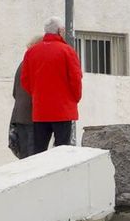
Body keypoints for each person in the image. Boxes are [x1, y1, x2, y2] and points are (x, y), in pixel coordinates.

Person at [20, 16, 83, 154]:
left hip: (40, 110)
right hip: (63, 110)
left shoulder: (31, 52)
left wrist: (37, 94)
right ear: (60, 31)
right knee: (62, 151)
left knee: (39, 152)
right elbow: (76, 79)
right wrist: (74, 99)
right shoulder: (67, 51)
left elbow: (25, 80)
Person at [8, 38, 39, 159]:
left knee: (24, 155)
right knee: (33, 156)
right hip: (32, 116)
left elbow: (14, 93)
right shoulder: (35, 64)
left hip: (19, 116)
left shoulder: (22, 64)